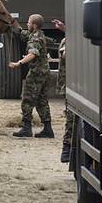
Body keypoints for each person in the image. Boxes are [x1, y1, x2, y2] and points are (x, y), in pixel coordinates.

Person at [8, 14, 54, 138]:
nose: (27, 24)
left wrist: (19, 63)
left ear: (34, 25)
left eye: (28, 22)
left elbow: (33, 53)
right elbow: (21, 33)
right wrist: (12, 22)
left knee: (27, 99)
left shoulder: (35, 38)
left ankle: (26, 127)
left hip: (36, 74)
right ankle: (48, 129)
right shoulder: (38, 34)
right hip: (44, 73)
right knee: (41, 100)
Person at [53, 19, 74, 163]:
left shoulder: (69, 41)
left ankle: (67, 149)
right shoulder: (68, 41)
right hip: (69, 86)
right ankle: (66, 149)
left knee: (71, 119)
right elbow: (65, 56)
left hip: (71, 86)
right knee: (70, 119)